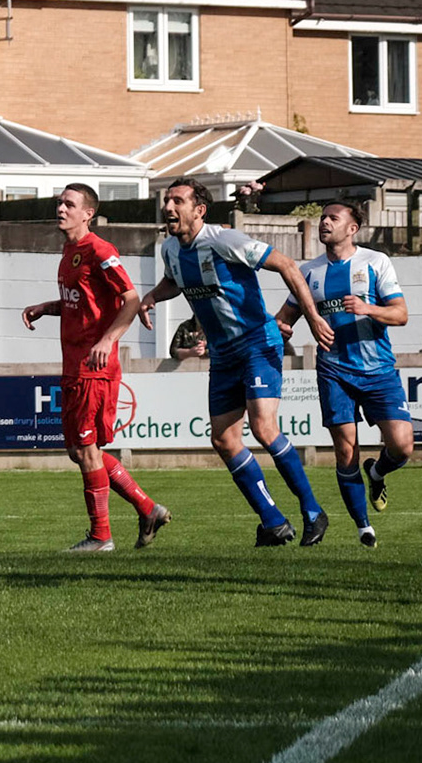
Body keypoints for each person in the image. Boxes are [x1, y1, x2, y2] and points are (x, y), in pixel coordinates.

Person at [139, 178, 334, 547]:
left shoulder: (224, 240)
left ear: (199, 210)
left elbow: (288, 265)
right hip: (223, 352)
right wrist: (151, 297)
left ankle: (312, 511)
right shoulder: (169, 249)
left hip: (258, 341)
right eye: (167, 200)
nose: (168, 207)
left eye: (177, 200)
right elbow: (175, 282)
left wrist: (313, 317)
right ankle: (274, 522)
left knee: (263, 427)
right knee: (224, 440)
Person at [20, 184, 170, 552]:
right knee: (78, 451)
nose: (61, 208)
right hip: (73, 365)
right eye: (59, 202)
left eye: (69, 204)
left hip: (94, 367)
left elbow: (131, 299)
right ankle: (148, 509)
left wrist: (107, 341)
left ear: (87, 213)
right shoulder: (69, 251)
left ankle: (101, 536)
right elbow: (82, 303)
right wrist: (47, 307)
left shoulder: (100, 250)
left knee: (86, 449)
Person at [275, 200, 414, 548]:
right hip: (334, 371)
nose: (324, 223)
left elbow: (401, 314)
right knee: (345, 451)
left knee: (403, 445)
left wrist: (368, 308)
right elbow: (285, 318)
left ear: (352, 228)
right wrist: (282, 328)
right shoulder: (309, 272)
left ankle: (378, 472)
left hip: (378, 370)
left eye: (332, 218)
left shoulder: (375, 262)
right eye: (322, 218)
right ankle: (364, 528)